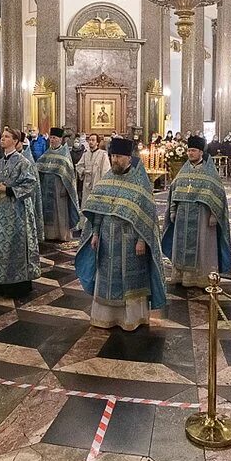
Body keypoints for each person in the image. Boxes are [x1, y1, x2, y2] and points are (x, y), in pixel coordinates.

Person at [75, 137, 167, 330]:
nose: (115, 160)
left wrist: (142, 239)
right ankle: (106, 317)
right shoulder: (108, 178)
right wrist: (95, 233)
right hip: (107, 239)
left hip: (130, 240)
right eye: (113, 155)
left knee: (129, 280)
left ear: (128, 158)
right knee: (108, 278)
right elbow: (99, 209)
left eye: (118, 156)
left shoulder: (140, 182)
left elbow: (146, 215)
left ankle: (130, 319)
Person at [162, 135, 231, 288]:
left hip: (202, 215)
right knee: (180, 245)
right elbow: (174, 190)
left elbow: (218, 193)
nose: (190, 153)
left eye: (193, 150)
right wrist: (173, 210)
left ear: (201, 152)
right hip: (183, 214)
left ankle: (200, 277)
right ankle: (180, 274)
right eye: (188, 150)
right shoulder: (184, 169)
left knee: (202, 246)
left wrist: (215, 214)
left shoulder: (209, 171)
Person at [0, 127, 42, 296]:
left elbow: (30, 185)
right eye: (2, 136)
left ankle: (17, 285)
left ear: (16, 141)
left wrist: (9, 190)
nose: (3, 139)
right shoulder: (0, 162)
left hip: (18, 211)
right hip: (1, 211)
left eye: (7, 136)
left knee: (15, 246)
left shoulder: (23, 162)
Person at [36, 127, 80, 241]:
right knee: (47, 211)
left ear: (60, 139)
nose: (52, 140)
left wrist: (66, 189)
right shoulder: (47, 153)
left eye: (54, 138)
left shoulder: (65, 155)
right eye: (50, 138)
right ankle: (48, 234)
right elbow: (38, 167)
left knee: (59, 212)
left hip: (59, 188)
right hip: (46, 188)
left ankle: (61, 234)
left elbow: (70, 175)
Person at [76, 133, 111, 206]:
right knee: (87, 206)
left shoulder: (103, 154)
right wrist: (84, 171)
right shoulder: (86, 154)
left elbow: (106, 171)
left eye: (93, 140)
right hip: (87, 186)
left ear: (97, 142)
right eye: (89, 140)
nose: (91, 142)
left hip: (98, 185)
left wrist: (102, 185)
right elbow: (78, 166)